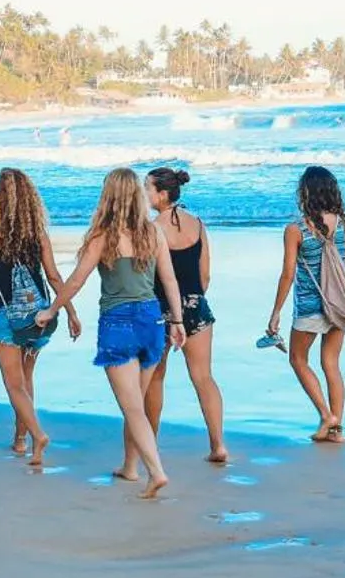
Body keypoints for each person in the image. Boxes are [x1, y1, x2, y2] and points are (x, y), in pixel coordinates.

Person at [35, 168, 186, 498]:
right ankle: (131, 468)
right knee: (139, 405)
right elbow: (170, 281)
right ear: (136, 195)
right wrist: (177, 321)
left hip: (118, 323)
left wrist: (51, 310)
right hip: (152, 321)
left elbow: (76, 280)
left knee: (132, 407)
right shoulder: (153, 233)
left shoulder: (103, 237)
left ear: (109, 196)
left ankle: (156, 472)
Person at [0, 168, 80, 465]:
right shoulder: (39, 234)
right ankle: (20, 440)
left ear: (0, 197)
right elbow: (54, 277)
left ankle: (37, 435)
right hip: (39, 318)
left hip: (2, 317)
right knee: (26, 378)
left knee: (13, 384)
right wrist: (70, 311)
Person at [265, 165, 345, 443]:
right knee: (331, 363)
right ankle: (336, 428)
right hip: (340, 304)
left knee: (297, 359)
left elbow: (287, 274)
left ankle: (326, 416)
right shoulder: (342, 223)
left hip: (310, 306)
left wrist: (275, 312)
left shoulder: (296, 229)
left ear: (305, 193)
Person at [142, 167, 228, 464]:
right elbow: (205, 275)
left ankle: (150, 443)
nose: (145, 194)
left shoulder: (152, 228)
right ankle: (217, 444)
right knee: (204, 377)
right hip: (196, 305)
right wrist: (193, 299)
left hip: (162, 309)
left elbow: (148, 276)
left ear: (162, 194)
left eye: (148, 189)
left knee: (156, 378)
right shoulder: (198, 224)